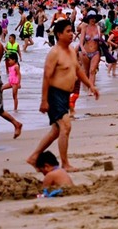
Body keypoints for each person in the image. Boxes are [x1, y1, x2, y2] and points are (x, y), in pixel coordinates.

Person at [27, 20, 99, 172]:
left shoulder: (72, 50)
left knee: (56, 130)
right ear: (59, 34)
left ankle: (34, 156)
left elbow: (78, 70)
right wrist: (44, 100)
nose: (71, 34)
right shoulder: (54, 53)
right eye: (67, 31)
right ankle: (65, 164)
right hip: (54, 94)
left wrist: (91, 85)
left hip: (65, 95)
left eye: (72, 31)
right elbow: (46, 77)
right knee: (65, 126)